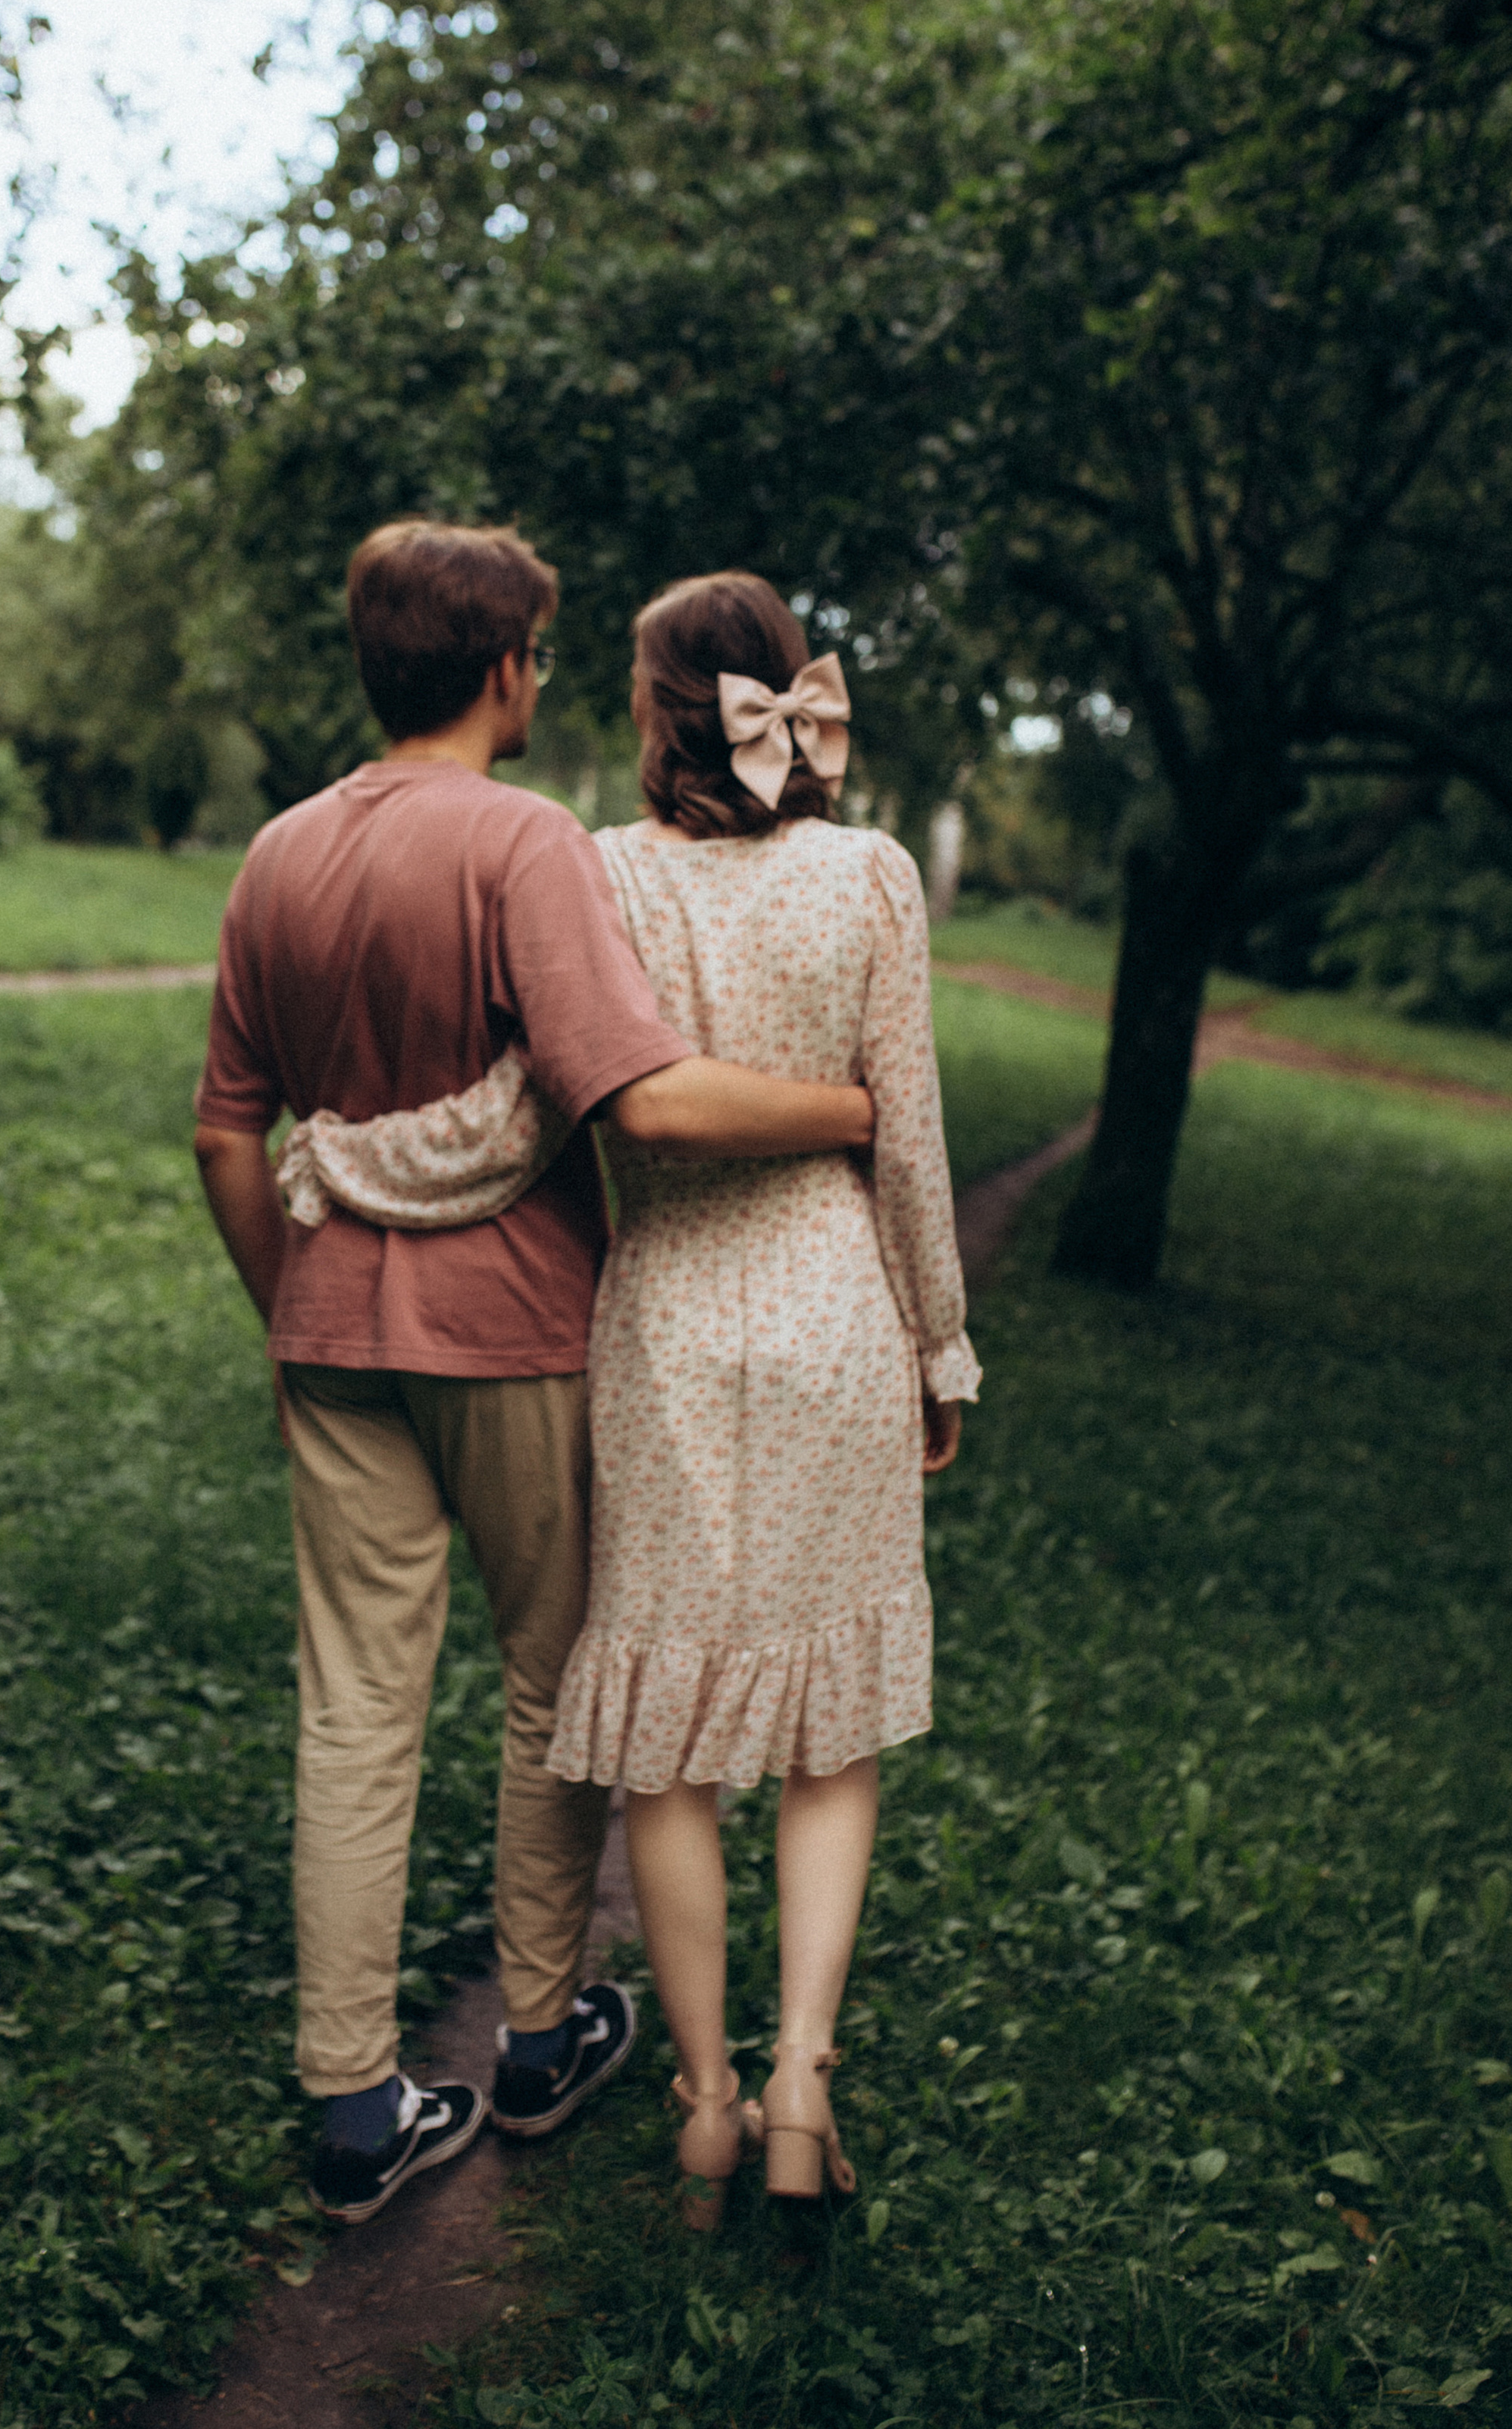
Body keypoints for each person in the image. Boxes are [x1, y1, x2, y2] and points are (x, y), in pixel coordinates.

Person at [191, 521, 880, 2226]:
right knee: (557, 1679)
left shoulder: (276, 853)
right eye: (538, 656)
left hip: (334, 1329)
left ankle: (353, 2105)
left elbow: (225, 1126)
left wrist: (299, 1296)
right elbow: (635, 1094)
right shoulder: (522, 843)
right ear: (500, 667)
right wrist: (852, 1111)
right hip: (508, 1328)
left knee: (353, 1710)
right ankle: (541, 2028)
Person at [546, 571, 978, 2224]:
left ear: (654, 710)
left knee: (665, 1750)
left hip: (660, 1322)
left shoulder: (597, 880)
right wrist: (936, 1346)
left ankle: (707, 2105)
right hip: (830, 1316)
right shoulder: (870, 877)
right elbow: (910, 1139)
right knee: (825, 1733)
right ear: (789, 697)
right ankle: (804, 2078)